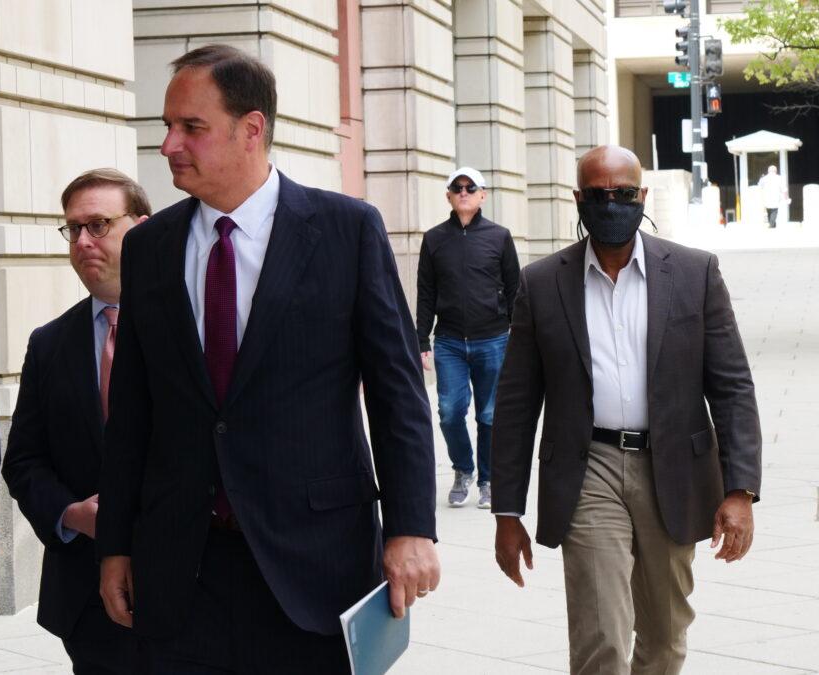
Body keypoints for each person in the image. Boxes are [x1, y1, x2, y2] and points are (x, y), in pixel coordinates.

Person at [95, 45, 440, 673]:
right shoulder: (149, 248)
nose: (169, 144)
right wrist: (116, 543)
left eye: (191, 127)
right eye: (166, 127)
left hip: (313, 565)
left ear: (251, 129)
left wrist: (411, 528)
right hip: (182, 568)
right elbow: (133, 414)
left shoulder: (346, 231)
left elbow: (398, 396)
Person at [491, 145, 761, 674]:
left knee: (664, 633)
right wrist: (507, 512)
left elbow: (731, 387)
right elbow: (517, 404)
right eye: (598, 195)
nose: (610, 203)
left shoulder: (694, 272)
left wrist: (740, 490)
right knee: (602, 637)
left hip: (674, 469)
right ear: (578, 199)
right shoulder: (542, 284)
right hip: (587, 468)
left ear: (642, 196)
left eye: (622, 194)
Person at [2, 169, 151, 674]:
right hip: (87, 599)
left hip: (192, 586)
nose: (83, 241)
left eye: (99, 224)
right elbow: (23, 461)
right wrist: (71, 514)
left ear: (143, 228)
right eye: (73, 229)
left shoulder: (191, 327)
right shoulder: (49, 344)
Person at [415, 167, 519, 509]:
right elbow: (426, 293)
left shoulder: (499, 236)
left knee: (490, 415)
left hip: (493, 339)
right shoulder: (433, 239)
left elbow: (515, 287)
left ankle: (488, 480)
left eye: (470, 187)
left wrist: (517, 335)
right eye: (456, 188)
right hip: (448, 342)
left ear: (482, 194)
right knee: (448, 411)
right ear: (448, 195)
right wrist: (422, 341)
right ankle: (463, 470)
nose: (463, 192)